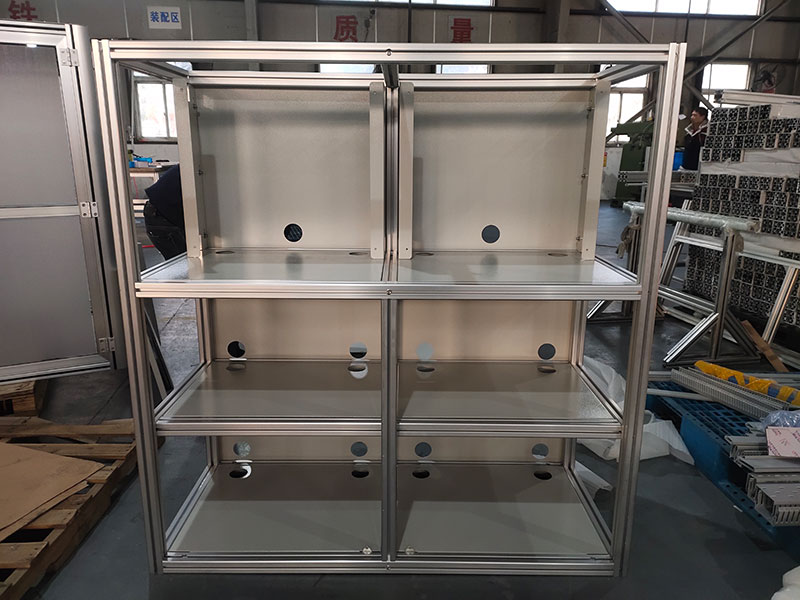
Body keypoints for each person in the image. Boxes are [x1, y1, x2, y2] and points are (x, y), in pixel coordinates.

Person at [142, 165, 186, 259]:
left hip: (161, 213)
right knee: (183, 262)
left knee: (185, 261)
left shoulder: (197, 166)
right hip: (163, 217)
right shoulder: (201, 171)